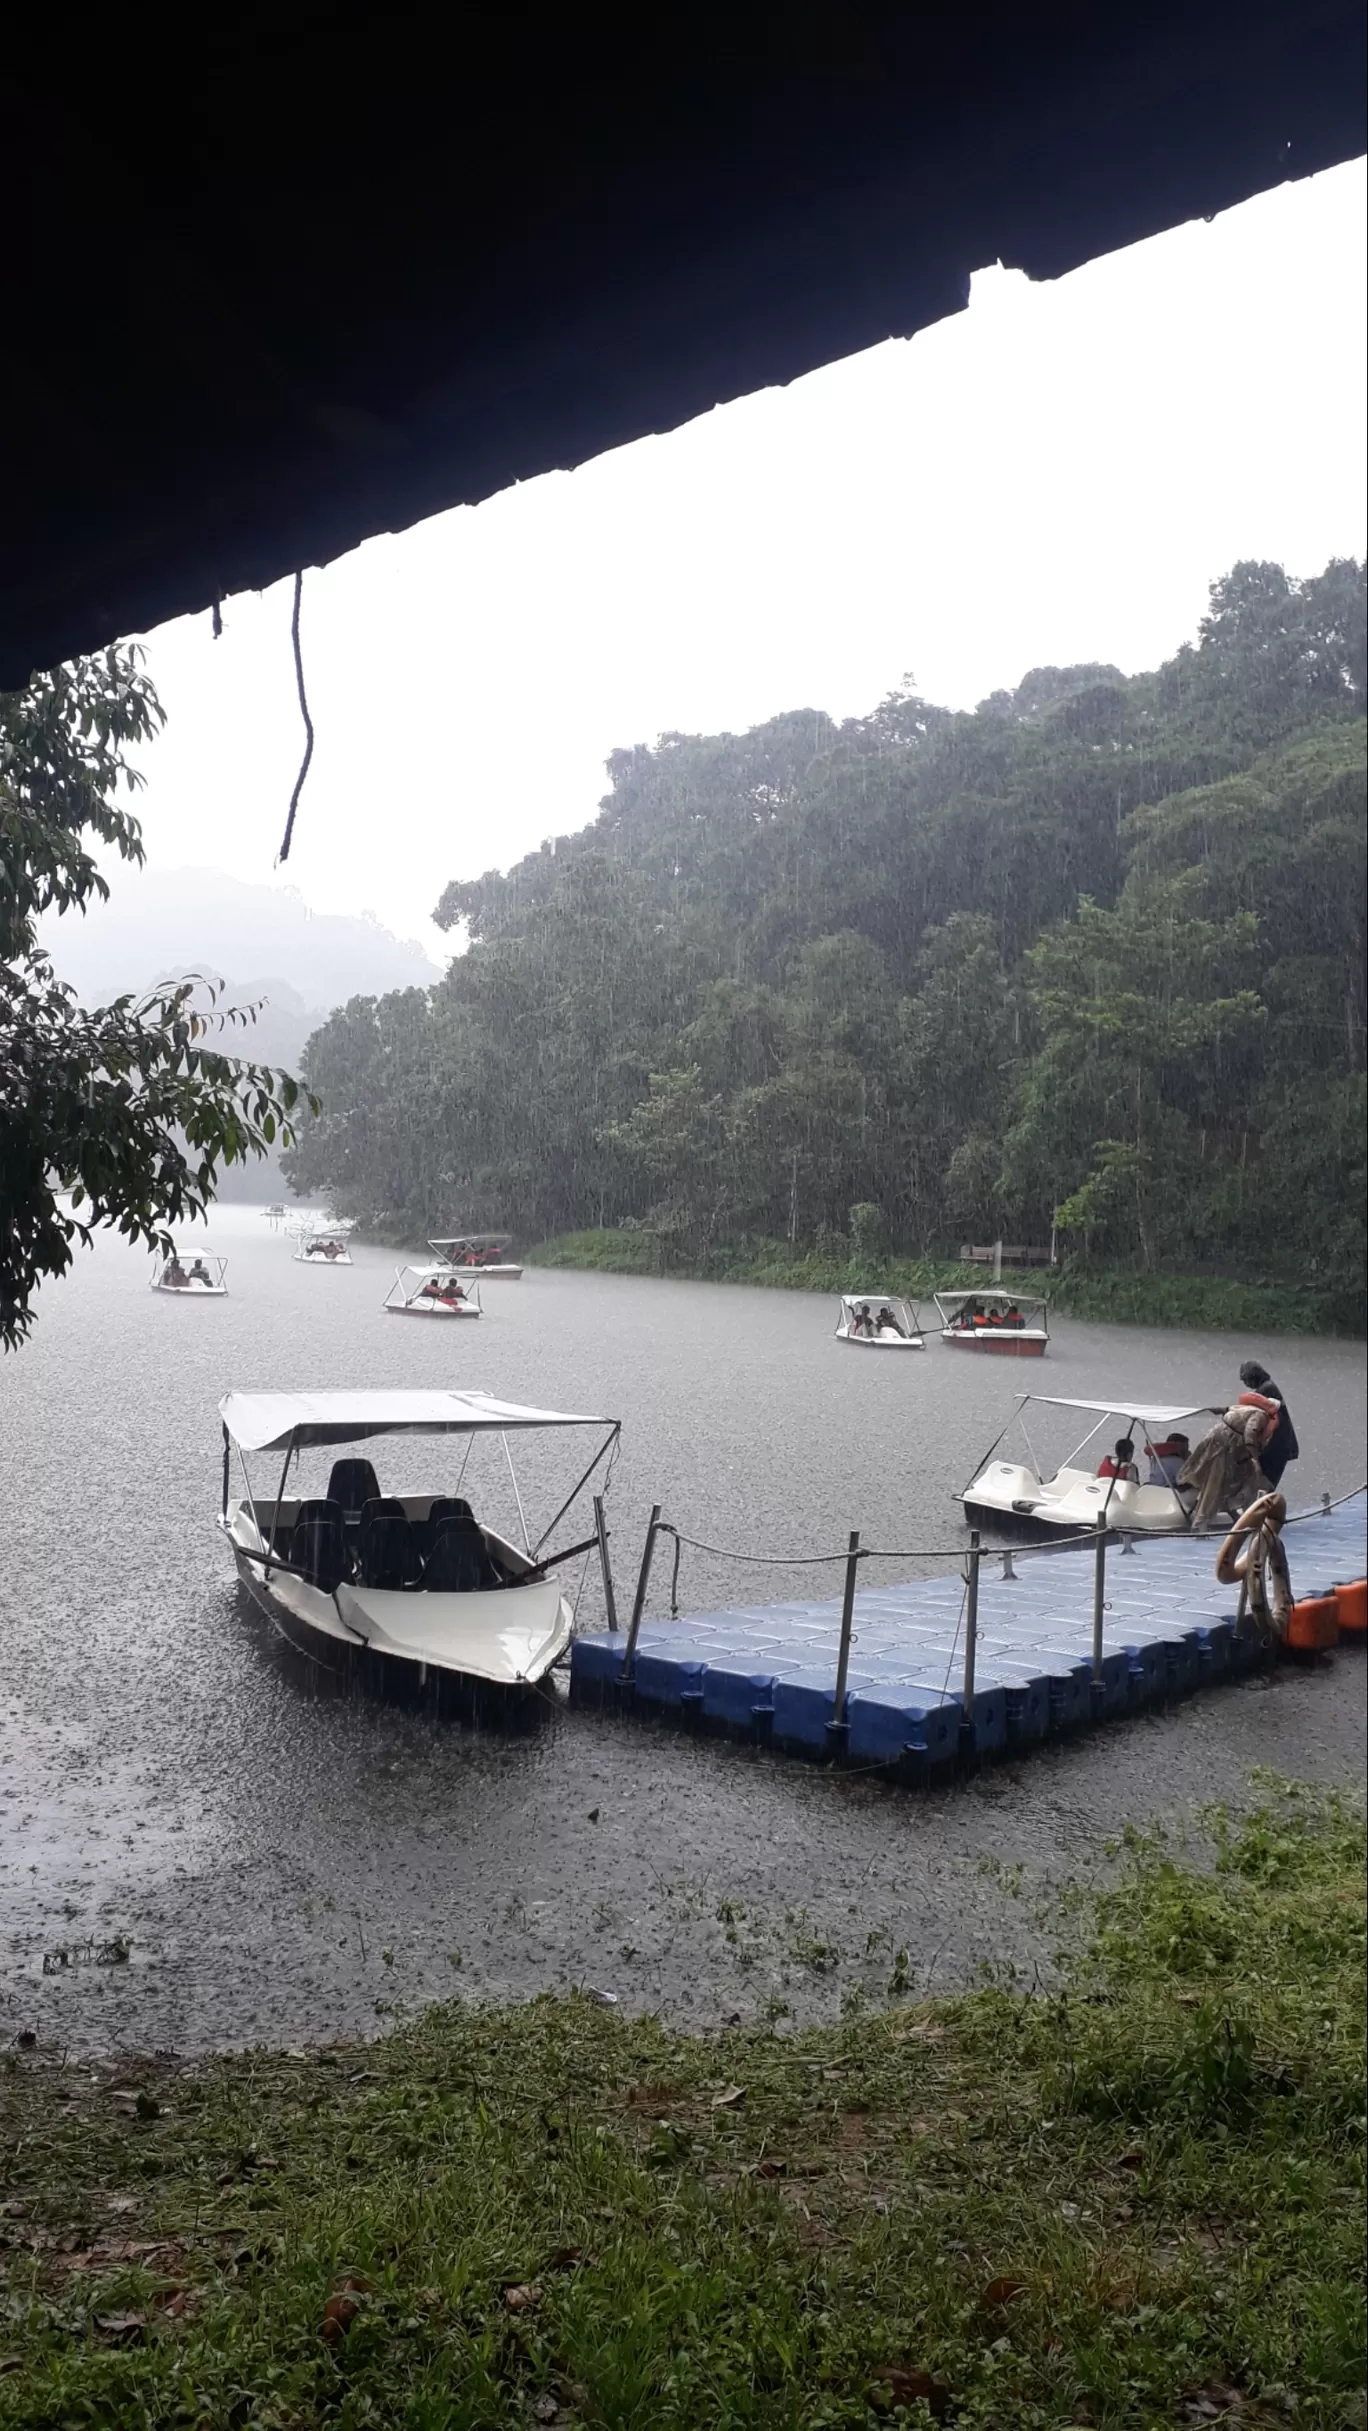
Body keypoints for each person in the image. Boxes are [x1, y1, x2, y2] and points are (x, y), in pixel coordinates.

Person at [1179, 1400, 1278, 1529]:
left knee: (1246, 1480)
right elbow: (1249, 1435)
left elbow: (1224, 1409)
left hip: (1230, 1449)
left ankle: (1245, 1516)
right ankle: (1199, 1525)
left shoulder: (1245, 1409)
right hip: (1221, 1447)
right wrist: (1255, 1460)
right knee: (1215, 1484)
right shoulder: (1260, 1415)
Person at [1239, 1360, 1299, 1489]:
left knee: (1265, 1480)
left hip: (1276, 1444)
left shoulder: (1266, 1389)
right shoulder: (1268, 1387)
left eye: (1246, 1380)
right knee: (1264, 1480)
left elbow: (1249, 1412)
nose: (1245, 1384)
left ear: (1253, 1376)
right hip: (1281, 1444)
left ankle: (1266, 1505)